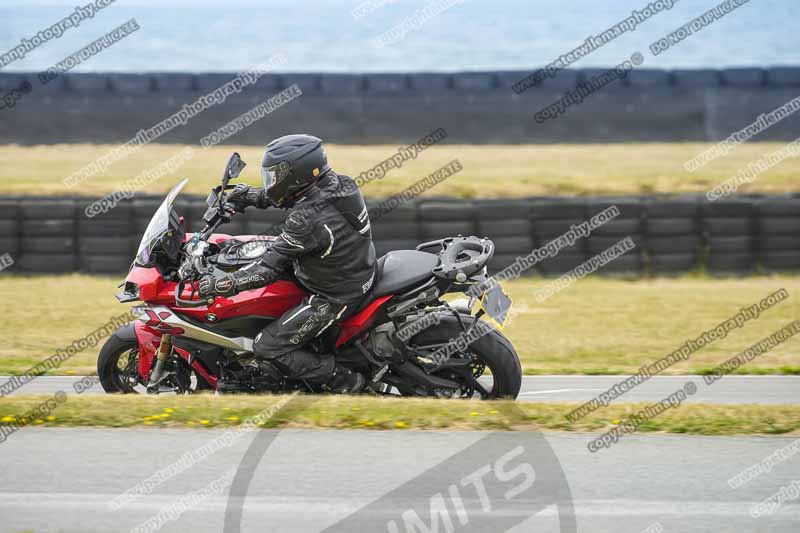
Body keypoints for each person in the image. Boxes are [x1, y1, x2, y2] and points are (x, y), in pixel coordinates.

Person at [197, 134, 375, 393]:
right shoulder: (341, 183)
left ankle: (349, 382)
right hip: (347, 268)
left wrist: (222, 283)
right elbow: (291, 196)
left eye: (276, 176)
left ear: (297, 174)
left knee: (267, 346)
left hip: (336, 294)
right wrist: (249, 196)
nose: (272, 182)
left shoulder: (306, 221)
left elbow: (266, 270)